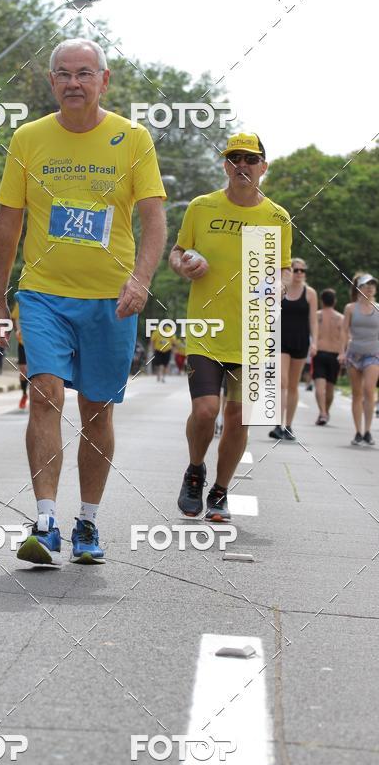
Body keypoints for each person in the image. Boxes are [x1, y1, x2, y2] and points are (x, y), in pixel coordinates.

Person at [0, 37, 166, 566]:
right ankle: (45, 522)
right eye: (64, 74)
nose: (74, 83)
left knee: (97, 411)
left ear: (104, 80)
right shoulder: (28, 139)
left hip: (110, 301)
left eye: (85, 74)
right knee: (44, 393)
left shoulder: (133, 139)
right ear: (51, 83)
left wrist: (141, 279)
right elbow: (8, 222)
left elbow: (154, 219)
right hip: (43, 293)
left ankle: (86, 520)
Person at [169, 133, 292, 521]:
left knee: (240, 417)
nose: (242, 165)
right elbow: (176, 253)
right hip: (207, 329)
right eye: (234, 158)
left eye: (250, 159)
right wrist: (183, 264)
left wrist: (281, 284)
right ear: (225, 165)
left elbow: (284, 268)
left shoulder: (277, 217)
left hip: (256, 335)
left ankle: (220, 491)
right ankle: (194, 470)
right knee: (206, 411)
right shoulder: (202, 207)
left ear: (263, 167)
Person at [269, 257, 318, 442]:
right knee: (281, 381)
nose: (298, 273)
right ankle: (277, 424)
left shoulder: (310, 293)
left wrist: (315, 342)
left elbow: (313, 320)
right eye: (295, 269)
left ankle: (288, 426)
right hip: (280, 339)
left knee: (292, 385)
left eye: (301, 270)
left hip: (300, 341)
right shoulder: (280, 289)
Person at [339, 273, 379, 446]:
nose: (370, 288)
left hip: (373, 354)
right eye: (366, 285)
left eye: (372, 285)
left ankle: (368, 431)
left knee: (369, 390)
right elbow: (344, 330)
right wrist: (342, 351)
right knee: (357, 394)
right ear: (359, 288)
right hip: (354, 354)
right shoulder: (350, 308)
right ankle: (358, 432)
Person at [312, 288, 343, 425]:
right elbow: (345, 338)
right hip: (335, 354)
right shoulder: (341, 318)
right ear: (334, 301)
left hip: (319, 352)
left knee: (319, 385)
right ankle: (325, 412)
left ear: (321, 301)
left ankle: (323, 412)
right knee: (330, 387)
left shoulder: (316, 316)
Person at [10, 298, 28, 408]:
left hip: (37, 342)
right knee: (23, 371)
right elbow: (13, 318)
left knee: (35, 371)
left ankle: (37, 395)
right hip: (22, 342)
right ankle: (24, 394)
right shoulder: (21, 301)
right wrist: (16, 331)